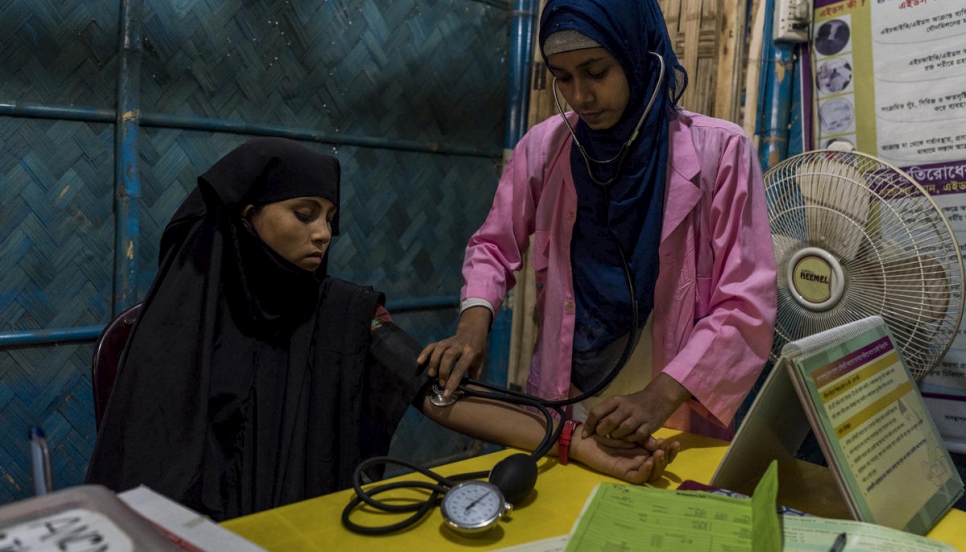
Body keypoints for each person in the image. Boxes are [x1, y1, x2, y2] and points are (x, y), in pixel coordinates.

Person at [86, 137, 677, 522]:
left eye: (331, 218)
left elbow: (439, 394)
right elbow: (145, 464)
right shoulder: (181, 325)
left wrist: (577, 443)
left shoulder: (347, 313)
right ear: (249, 215)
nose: (324, 234)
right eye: (305, 213)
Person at [419, 0, 777, 446]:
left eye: (596, 71)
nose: (581, 96)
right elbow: (492, 245)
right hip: (566, 399)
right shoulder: (545, 149)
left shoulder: (722, 153)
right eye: (562, 77)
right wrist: (473, 323)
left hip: (672, 408)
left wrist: (657, 398)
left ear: (638, 54)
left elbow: (746, 302)